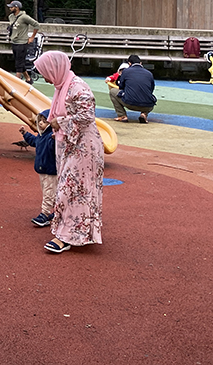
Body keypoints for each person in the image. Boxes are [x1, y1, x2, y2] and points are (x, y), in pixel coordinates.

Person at [33, 51, 104, 254]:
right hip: (73, 145)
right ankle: (76, 232)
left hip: (84, 148)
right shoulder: (62, 86)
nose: (45, 77)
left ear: (55, 69)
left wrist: (59, 122)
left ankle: (67, 236)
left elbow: (87, 116)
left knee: (71, 190)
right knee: (75, 190)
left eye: (45, 72)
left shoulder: (77, 88)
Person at [19, 109, 57, 227]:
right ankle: (59, 211)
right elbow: (34, 141)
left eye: (44, 121)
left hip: (51, 171)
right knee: (50, 193)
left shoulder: (51, 137)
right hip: (42, 170)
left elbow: (54, 147)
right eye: (40, 121)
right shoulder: (41, 136)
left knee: (48, 193)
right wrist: (25, 134)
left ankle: (44, 214)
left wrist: (56, 138)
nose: (40, 123)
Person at [109, 54, 156, 123]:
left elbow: (121, 87)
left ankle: (122, 115)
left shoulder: (126, 71)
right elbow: (151, 89)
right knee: (149, 96)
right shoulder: (149, 73)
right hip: (148, 105)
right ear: (140, 63)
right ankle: (144, 113)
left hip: (130, 103)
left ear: (129, 63)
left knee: (113, 91)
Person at [6, 0, 40, 84]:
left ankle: (17, 80)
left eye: (11, 7)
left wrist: (32, 37)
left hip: (22, 42)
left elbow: (36, 25)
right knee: (19, 60)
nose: (10, 8)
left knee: (19, 62)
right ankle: (28, 79)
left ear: (16, 7)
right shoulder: (11, 17)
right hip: (14, 41)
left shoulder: (24, 17)